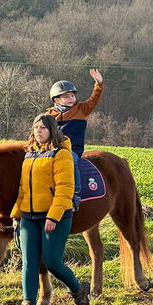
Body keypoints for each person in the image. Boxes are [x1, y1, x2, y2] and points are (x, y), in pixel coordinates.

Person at [11, 114, 90, 305]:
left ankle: (78, 291)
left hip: (56, 216)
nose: (38, 131)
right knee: (29, 262)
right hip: (29, 216)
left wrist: (53, 217)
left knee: (53, 262)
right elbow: (22, 189)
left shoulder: (61, 154)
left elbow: (65, 189)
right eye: (36, 127)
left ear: (52, 131)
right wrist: (16, 214)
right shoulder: (30, 154)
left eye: (43, 128)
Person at [47, 69, 104, 211]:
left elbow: (94, 99)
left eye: (72, 95)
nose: (72, 98)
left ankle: (74, 195)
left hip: (72, 150)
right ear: (56, 100)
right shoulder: (49, 115)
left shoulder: (81, 109)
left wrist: (99, 84)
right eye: (67, 96)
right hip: (52, 150)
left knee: (70, 161)